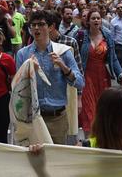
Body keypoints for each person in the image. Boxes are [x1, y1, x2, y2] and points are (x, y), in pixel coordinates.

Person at [15, 10, 84, 144]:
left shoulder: (63, 52)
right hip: (34, 118)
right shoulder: (22, 54)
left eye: (41, 24)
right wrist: (29, 72)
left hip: (57, 118)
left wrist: (64, 67)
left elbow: (80, 83)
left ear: (50, 27)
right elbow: (18, 89)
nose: (36, 28)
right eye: (33, 25)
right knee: (36, 161)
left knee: (57, 161)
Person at [79, 9, 122, 132]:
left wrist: (121, 75)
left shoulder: (108, 35)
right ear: (88, 22)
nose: (96, 20)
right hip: (86, 77)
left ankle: (102, 141)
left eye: (98, 18)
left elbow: (114, 58)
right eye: (93, 18)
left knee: (103, 109)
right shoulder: (80, 36)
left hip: (103, 78)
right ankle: (89, 141)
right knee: (88, 110)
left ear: (101, 20)